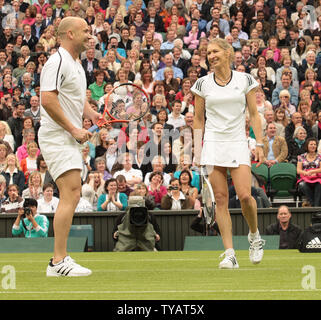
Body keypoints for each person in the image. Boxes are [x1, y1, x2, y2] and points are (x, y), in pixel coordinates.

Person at [191, 38, 265, 269]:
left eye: (215, 51)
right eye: (208, 52)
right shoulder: (202, 84)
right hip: (213, 143)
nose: (210, 55)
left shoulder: (245, 80)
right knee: (220, 200)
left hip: (237, 142)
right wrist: (197, 149)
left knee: (245, 195)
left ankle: (254, 236)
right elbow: (198, 119)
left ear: (227, 53)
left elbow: (254, 113)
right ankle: (230, 253)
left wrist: (260, 143)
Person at [38, 17, 101, 277]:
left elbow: (74, 98)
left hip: (67, 136)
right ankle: (57, 261)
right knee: (72, 193)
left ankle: (60, 258)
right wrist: (73, 129)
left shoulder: (75, 64)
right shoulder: (57, 61)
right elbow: (48, 99)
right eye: (85, 31)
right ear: (70, 34)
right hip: (57, 135)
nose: (90, 34)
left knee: (72, 194)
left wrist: (91, 114)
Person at [297, 137, 321, 207]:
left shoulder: (320, 157)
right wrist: (306, 173)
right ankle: (313, 205)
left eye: (314, 144)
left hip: (317, 177)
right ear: (307, 146)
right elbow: (298, 170)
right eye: (311, 144)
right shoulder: (301, 156)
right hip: (305, 177)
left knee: (319, 185)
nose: (313, 146)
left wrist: (314, 171)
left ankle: (316, 207)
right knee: (302, 185)